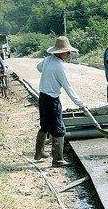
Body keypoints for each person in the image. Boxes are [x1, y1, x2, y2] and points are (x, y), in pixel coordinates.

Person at [34, 36, 85, 167]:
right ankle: (57, 160)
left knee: (44, 126)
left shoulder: (47, 60)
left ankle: (38, 153)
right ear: (62, 52)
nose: (69, 54)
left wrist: (48, 74)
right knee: (59, 129)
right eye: (68, 52)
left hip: (43, 97)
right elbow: (68, 87)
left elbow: (38, 67)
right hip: (52, 100)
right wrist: (80, 104)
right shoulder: (59, 66)